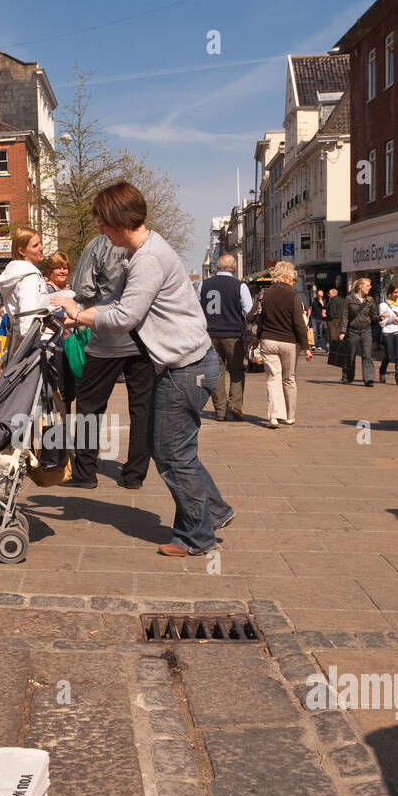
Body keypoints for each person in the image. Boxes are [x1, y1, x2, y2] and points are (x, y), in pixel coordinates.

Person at [52, 181, 234, 557]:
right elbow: (117, 300)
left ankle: (197, 537)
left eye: (103, 222)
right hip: (186, 363)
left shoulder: (148, 258)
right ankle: (214, 511)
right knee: (175, 449)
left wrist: (77, 312)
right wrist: (78, 319)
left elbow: (124, 315)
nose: (100, 230)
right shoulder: (143, 253)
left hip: (185, 367)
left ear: (119, 220)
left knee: (170, 454)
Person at [68, 231, 153, 489]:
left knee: (89, 405)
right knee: (142, 409)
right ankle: (134, 475)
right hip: (143, 339)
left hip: (107, 338)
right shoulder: (150, 245)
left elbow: (82, 288)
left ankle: (85, 472)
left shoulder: (99, 243)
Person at [247, 261, 312, 427]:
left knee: (273, 378)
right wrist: (306, 347)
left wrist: (255, 336)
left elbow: (251, 317)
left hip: (268, 340)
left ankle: (274, 417)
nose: (293, 283)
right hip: (289, 342)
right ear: (285, 277)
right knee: (289, 379)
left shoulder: (264, 294)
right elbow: (299, 323)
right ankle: (290, 416)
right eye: (292, 279)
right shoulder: (293, 296)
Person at [199, 253, 252, 421]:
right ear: (234, 268)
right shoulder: (239, 286)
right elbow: (248, 311)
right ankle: (235, 405)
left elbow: (196, 308)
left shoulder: (204, 285)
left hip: (210, 335)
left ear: (217, 267)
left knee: (216, 372)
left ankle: (220, 411)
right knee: (236, 370)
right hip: (233, 336)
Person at [0, 228, 50, 348]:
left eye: (40, 243)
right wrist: (29, 350)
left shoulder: (18, 274)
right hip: (32, 344)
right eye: (35, 245)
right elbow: (28, 317)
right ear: (22, 251)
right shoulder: (29, 277)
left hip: (19, 340)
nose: (41, 247)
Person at [41, 251, 77, 411]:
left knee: (69, 392)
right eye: (58, 268)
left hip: (70, 347)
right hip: (55, 348)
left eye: (65, 267)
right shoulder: (48, 290)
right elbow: (50, 321)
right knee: (59, 392)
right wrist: (79, 320)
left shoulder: (68, 290)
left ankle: (65, 428)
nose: (63, 271)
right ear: (50, 269)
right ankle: (59, 431)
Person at [339, 278, 378, 385]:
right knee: (350, 355)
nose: (369, 287)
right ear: (360, 286)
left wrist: (380, 318)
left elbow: (374, 316)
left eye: (370, 286)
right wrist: (342, 331)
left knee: (367, 355)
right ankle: (347, 376)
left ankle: (369, 379)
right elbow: (345, 316)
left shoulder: (370, 300)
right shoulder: (349, 299)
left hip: (366, 331)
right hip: (352, 331)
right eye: (367, 285)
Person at [378, 286, 398, 385]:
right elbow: (382, 322)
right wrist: (392, 319)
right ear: (390, 293)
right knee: (389, 356)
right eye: (395, 292)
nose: (397, 294)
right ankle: (382, 371)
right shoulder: (383, 305)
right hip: (388, 332)